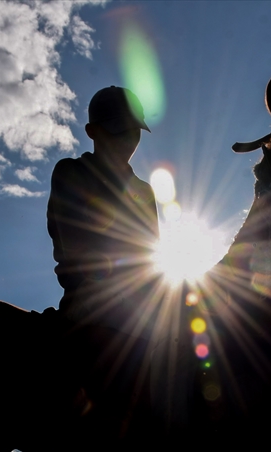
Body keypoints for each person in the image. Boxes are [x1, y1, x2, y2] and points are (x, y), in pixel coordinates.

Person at [48, 86, 161, 399]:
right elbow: (75, 248)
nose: (127, 140)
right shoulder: (71, 172)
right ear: (92, 132)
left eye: (133, 132)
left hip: (139, 309)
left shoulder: (145, 192)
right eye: (117, 131)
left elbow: (153, 254)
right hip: (88, 305)